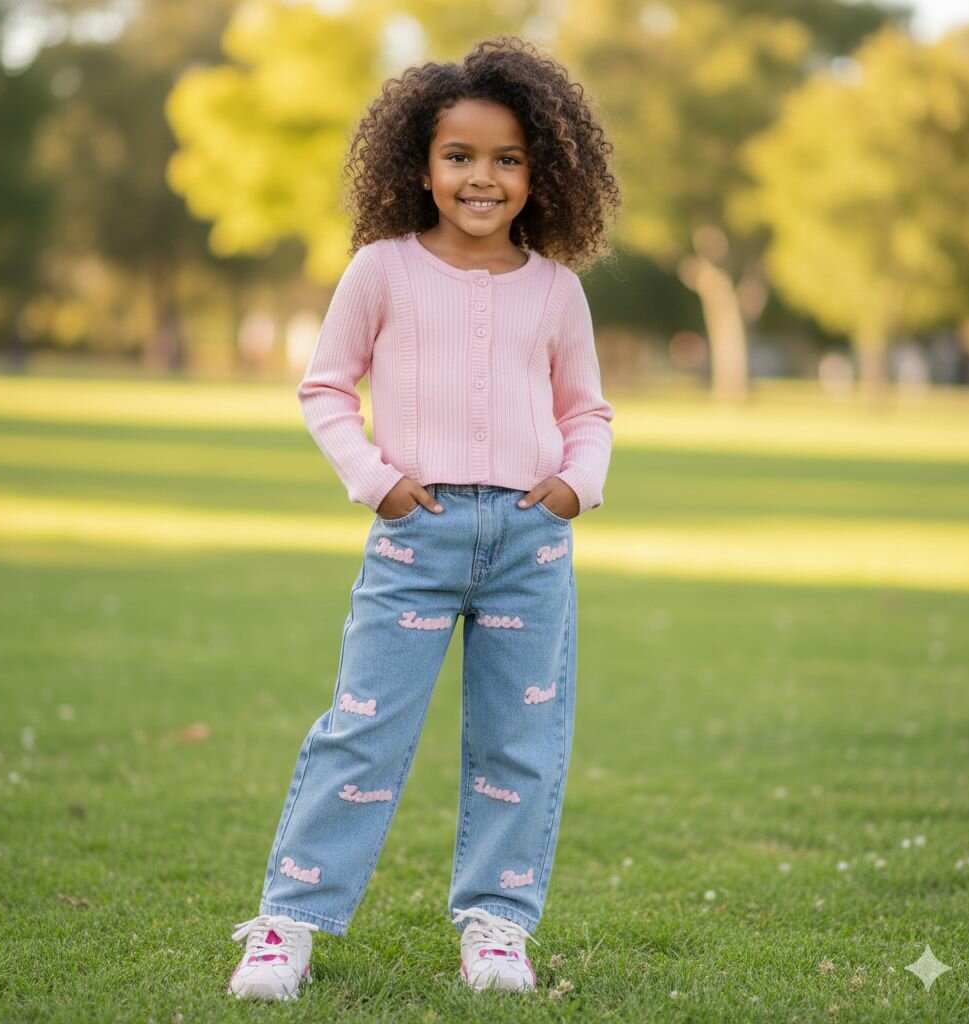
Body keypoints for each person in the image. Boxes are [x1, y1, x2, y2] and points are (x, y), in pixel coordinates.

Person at [227, 34, 620, 1000]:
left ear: (541, 172)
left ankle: (498, 925)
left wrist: (576, 485)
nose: (483, 177)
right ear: (420, 165)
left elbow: (586, 412)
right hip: (417, 535)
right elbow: (325, 388)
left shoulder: (556, 290)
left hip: (530, 544)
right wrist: (379, 481)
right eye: (459, 156)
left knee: (520, 742)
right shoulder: (382, 271)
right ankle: (287, 925)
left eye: (507, 158)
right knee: (361, 730)